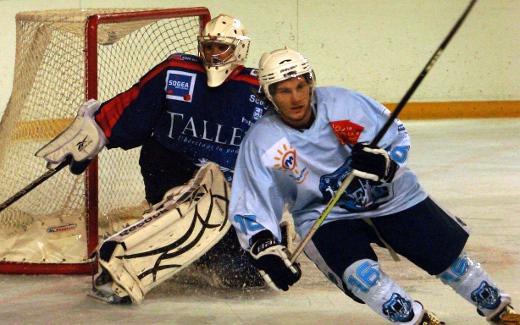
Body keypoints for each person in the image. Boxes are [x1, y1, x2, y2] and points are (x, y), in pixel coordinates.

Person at [229, 47, 520, 324]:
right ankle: (417, 320)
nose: (296, 98)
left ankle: (498, 307)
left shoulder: (344, 105)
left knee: (450, 261)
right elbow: (250, 199)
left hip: (392, 197)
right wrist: (264, 246)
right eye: (284, 90)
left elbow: (397, 135)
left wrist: (385, 163)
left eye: (300, 86)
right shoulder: (263, 141)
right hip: (324, 214)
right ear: (269, 94)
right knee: (362, 277)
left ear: (311, 83)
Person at [36, 14, 267, 303]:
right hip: (174, 174)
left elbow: (291, 141)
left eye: (223, 48)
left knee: (240, 274)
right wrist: (96, 130)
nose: (214, 55)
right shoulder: (177, 72)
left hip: (229, 190)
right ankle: (127, 265)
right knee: (182, 208)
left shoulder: (259, 90)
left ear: (240, 50)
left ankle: (208, 251)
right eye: (209, 47)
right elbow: (132, 108)